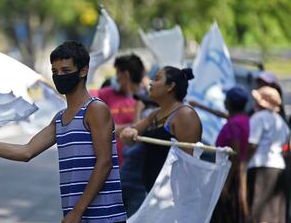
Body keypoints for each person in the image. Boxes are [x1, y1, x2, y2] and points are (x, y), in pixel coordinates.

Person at [0, 41, 127, 223]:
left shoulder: (95, 110)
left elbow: (104, 163)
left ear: (83, 71)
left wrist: (77, 211)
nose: (59, 76)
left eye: (66, 71)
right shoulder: (60, 118)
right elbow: (26, 151)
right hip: (76, 217)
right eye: (55, 72)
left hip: (104, 216)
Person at [120, 66, 202, 192]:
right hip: (152, 193)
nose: (151, 83)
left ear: (170, 86)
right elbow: (130, 136)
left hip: (172, 196)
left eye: (157, 79)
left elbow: (189, 164)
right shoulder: (155, 114)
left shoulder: (185, 115)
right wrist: (130, 132)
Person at [247, 86, 290, 223]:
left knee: (258, 210)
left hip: (261, 166)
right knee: (274, 212)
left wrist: (243, 162)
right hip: (279, 168)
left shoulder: (258, 118)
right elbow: (286, 147)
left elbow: (252, 144)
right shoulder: (281, 122)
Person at [93, 54, 145, 166]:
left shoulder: (147, 100)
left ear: (125, 75)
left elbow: (143, 135)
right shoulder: (105, 94)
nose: (115, 78)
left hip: (134, 166)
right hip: (108, 164)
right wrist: (135, 126)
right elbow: (102, 128)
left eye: (117, 73)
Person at [209, 86, 251, 223]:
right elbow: (220, 114)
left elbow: (235, 154)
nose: (224, 101)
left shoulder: (233, 125)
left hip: (230, 174)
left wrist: (226, 183)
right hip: (237, 172)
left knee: (225, 215)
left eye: (226, 98)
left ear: (230, 103)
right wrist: (199, 106)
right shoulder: (244, 119)